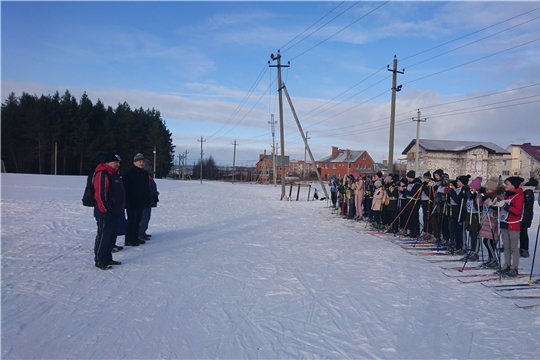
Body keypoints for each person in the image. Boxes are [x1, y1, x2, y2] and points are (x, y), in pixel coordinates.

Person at [93, 151, 125, 270]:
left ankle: (108, 257)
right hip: (105, 213)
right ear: (108, 162)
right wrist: (105, 210)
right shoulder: (103, 174)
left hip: (115, 212)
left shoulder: (115, 174)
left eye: (118, 162)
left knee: (112, 236)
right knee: (104, 236)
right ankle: (100, 260)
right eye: (116, 162)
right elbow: (100, 194)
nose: (118, 164)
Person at [495, 176, 525, 278]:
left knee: (514, 247)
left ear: (513, 185)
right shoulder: (507, 195)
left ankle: (514, 268)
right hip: (504, 223)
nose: (505, 186)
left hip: (513, 224)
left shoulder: (519, 196)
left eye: (507, 184)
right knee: (506, 246)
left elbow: (517, 212)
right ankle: (507, 264)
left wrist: (505, 206)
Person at [122, 153, 151, 246]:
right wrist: (128, 201)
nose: (141, 163)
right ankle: (129, 240)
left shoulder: (144, 173)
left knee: (138, 220)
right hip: (132, 202)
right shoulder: (129, 173)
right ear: (134, 162)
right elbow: (125, 188)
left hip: (141, 202)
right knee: (131, 221)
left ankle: (135, 238)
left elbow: (146, 188)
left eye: (142, 161)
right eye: (139, 161)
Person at [478, 176, 505, 269]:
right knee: (486, 241)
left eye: (489, 190)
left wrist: (490, 203)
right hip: (486, 220)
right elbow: (480, 204)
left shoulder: (498, 197)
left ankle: (494, 259)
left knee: (490, 242)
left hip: (493, 221)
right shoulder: (488, 196)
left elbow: (498, 208)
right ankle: (490, 258)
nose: (487, 191)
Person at [448, 175, 469, 255]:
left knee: (460, 231)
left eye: (459, 181)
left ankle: (462, 246)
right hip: (454, 212)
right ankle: (457, 245)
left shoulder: (464, 190)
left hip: (460, 213)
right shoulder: (457, 189)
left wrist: (453, 193)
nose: (457, 183)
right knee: (456, 230)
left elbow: (459, 201)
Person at [139, 160, 159, 241]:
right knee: (144, 217)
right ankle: (140, 234)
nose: (152, 167)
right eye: (150, 165)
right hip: (146, 200)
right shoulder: (145, 176)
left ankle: (142, 232)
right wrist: (153, 193)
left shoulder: (149, 175)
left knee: (146, 217)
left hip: (149, 200)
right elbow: (146, 189)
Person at [463, 176, 482, 262]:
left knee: (476, 235)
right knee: (471, 234)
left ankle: (476, 252)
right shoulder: (470, 195)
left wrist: (475, 198)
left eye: (472, 188)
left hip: (475, 216)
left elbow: (479, 206)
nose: (471, 190)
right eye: (470, 188)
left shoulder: (478, 196)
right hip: (469, 215)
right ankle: (472, 250)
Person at [519, 177, 537, 257]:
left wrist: (525, 218)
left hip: (525, 215)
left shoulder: (528, 191)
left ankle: (524, 249)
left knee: (523, 231)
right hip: (523, 215)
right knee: (520, 232)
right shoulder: (524, 190)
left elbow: (527, 206)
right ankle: (522, 248)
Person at [404, 170, 422, 238]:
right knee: (410, 217)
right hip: (409, 202)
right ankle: (411, 230)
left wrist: (404, 190)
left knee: (414, 217)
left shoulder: (416, 183)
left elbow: (413, 193)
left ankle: (416, 231)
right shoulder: (409, 183)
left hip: (414, 202)